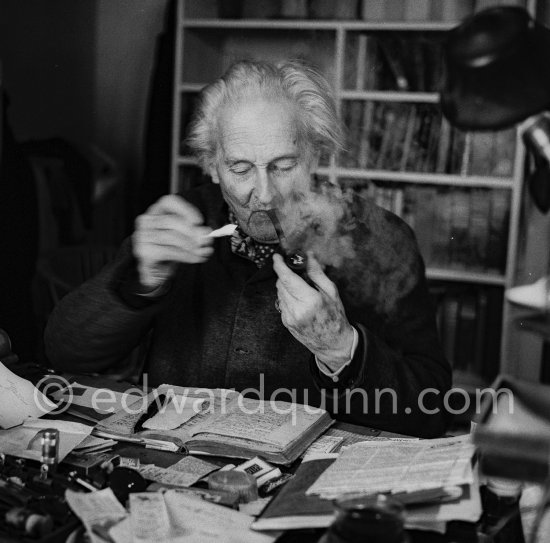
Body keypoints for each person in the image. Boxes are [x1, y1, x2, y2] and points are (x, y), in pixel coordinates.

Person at [45, 60, 451, 437]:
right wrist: (139, 281)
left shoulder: (381, 238)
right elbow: (64, 352)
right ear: (212, 166)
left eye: (284, 165)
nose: (264, 193)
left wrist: (341, 348)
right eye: (240, 168)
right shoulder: (181, 221)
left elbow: (431, 406)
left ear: (315, 156)